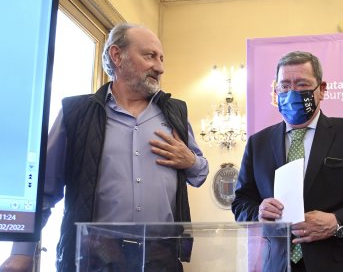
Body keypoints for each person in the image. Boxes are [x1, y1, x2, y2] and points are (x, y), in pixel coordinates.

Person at [0, 23, 209, 272]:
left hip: (160, 257)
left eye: (161, 58)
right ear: (117, 55)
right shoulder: (76, 114)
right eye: (149, 56)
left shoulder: (176, 113)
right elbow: (42, 191)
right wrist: (21, 254)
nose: (160, 67)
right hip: (96, 258)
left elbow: (200, 174)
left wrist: (191, 161)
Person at [231, 51, 343, 272]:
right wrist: (258, 211)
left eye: (302, 85)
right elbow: (241, 202)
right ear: (275, 90)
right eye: (285, 86)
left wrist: (336, 222)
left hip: (337, 264)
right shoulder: (257, 143)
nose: (292, 93)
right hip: (278, 265)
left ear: (322, 89)